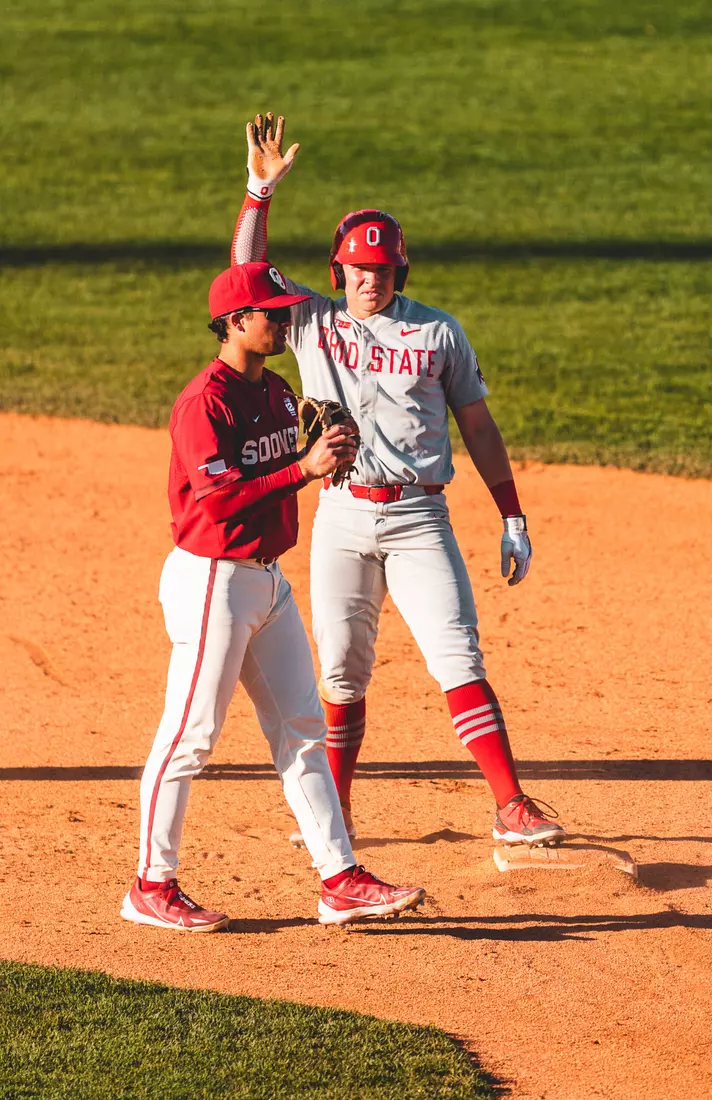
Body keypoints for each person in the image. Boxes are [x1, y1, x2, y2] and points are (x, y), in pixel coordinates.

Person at [230, 114, 566, 851]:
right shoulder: (312, 324)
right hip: (341, 518)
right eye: (356, 270)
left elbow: (477, 427)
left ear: (398, 272)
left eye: (380, 272)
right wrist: (259, 191)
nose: (368, 282)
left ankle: (509, 804)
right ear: (336, 272)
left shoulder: (439, 332)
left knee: (457, 656)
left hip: (419, 517)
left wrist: (511, 515)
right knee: (343, 674)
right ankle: (337, 816)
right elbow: (246, 275)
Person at [120, 261, 426, 932]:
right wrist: (301, 468)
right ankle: (150, 884)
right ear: (236, 323)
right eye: (271, 312)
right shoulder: (205, 401)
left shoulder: (280, 392)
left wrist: (325, 456)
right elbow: (221, 496)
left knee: (302, 732)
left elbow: (278, 471)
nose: (285, 319)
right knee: (190, 737)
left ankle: (339, 879)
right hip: (213, 581)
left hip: (266, 582)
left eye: (285, 308)